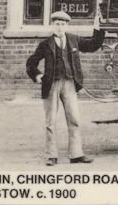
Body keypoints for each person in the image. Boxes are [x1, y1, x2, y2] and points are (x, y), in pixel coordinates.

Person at [26, 11, 105, 166]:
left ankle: (76, 154)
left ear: (67, 25)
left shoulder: (74, 40)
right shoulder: (45, 44)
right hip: (51, 85)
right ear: (53, 25)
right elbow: (31, 63)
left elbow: (93, 45)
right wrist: (37, 76)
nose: (60, 27)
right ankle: (51, 155)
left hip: (69, 83)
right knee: (51, 121)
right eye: (57, 24)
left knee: (74, 119)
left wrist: (98, 26)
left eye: (63, 24)